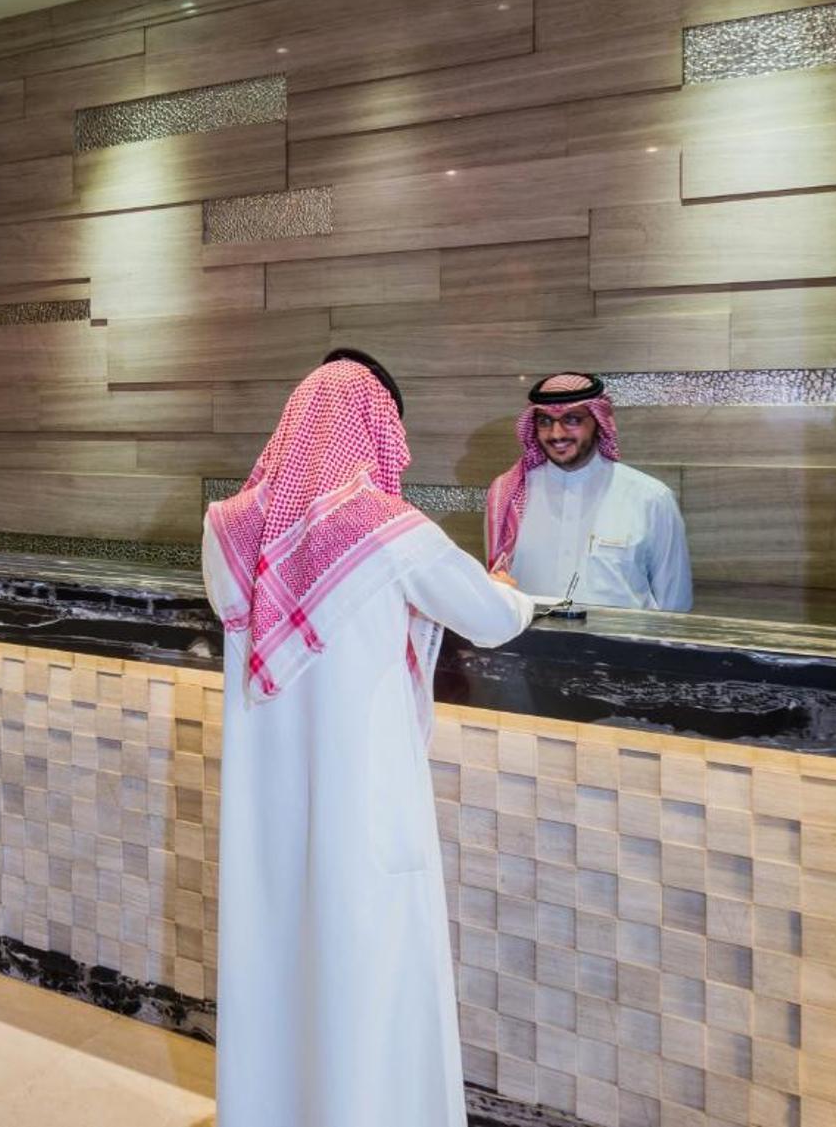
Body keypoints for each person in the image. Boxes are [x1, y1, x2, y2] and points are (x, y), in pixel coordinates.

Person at [201, 356, 537, 1126]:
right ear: (376, 426)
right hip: (365, 807)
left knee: (275, 966)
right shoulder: (388, 528)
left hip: (266, 814)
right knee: (368, 975)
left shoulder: (226, 529)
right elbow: (489, 616)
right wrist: (513, 593)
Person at [484, 371, 692, 611]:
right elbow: (498, 588)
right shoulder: (507, 495)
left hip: (621, 637)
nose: (557, 434)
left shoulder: (651, 498)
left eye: (572, 419)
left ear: (598, 422)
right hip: (528, 636)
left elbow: (674, 606)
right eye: (545, 421)